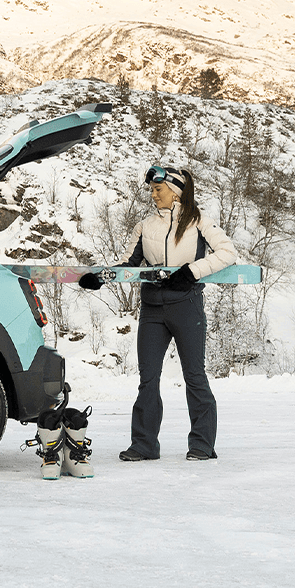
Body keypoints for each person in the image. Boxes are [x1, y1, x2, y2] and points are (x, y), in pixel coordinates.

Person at [78, 166, 239, 461]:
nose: (153, 195)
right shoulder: (145, 226)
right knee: (148, 378)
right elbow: (129, 264)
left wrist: (192, 272)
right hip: (152, 309)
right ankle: (144, 445)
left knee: (194, 375)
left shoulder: (199, 222)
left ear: (175, 192)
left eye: (158, 190)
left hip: (187, 306)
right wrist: (101, 277)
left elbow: (228, 252)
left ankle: (202, 444)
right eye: (151, 190)